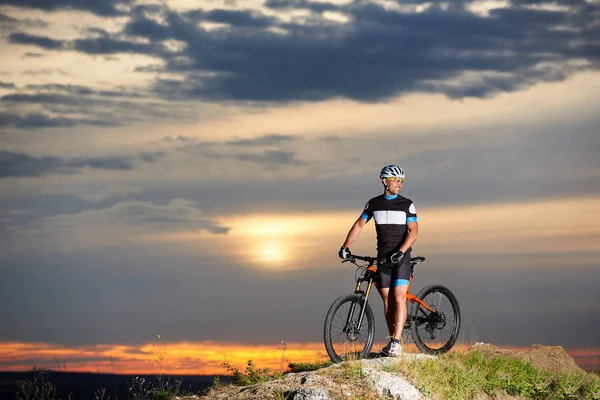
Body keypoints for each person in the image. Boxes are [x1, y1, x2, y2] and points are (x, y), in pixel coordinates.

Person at [338, 164, 418, 357]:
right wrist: (345, 246)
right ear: (385, 181)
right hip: (383, 257)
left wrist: (401, 251)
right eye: (397, 180)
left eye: (402, 181)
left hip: (401, 256)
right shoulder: (374, 203)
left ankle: (397, 342)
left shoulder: (407, 204)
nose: (400, 184)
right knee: (387, 300)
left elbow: (414, 231)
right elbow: (359, 224)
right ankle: (392, 340)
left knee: (399, 297)